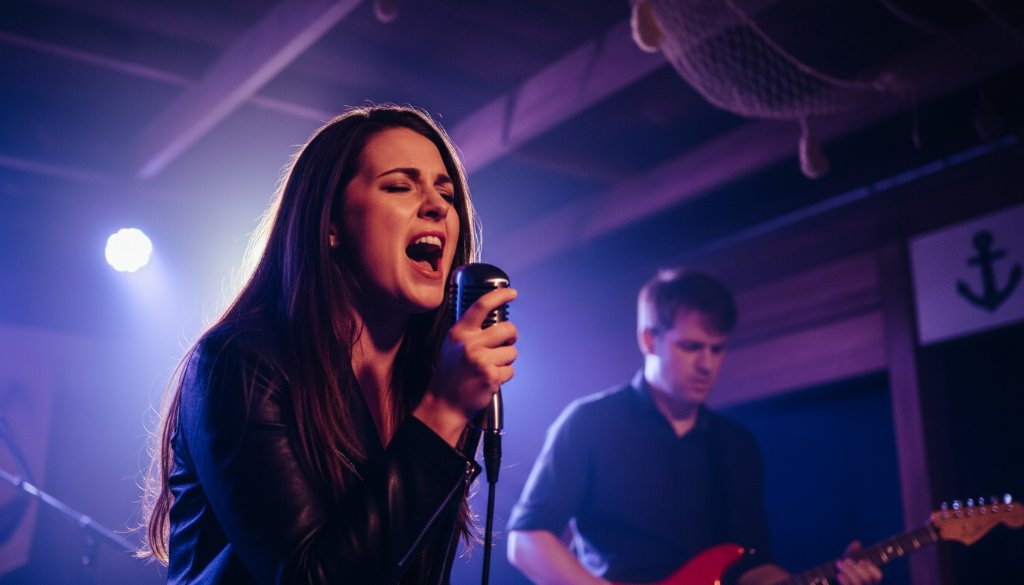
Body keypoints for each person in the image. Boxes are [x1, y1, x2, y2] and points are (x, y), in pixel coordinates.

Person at [140, 104, 519, 584]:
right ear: (330, 225)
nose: (438, 206)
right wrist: (443, 411)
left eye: (445, 192)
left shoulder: (425, 382)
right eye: (400, 186)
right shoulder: (239, 362)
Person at [506, 268, 881, 585]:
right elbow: (526, 539)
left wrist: (830, 577)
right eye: (691, 347)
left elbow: (751, 565)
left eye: (717, 349)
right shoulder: (590, 422)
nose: (707, 364)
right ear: (649, 340)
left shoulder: (736, 444)